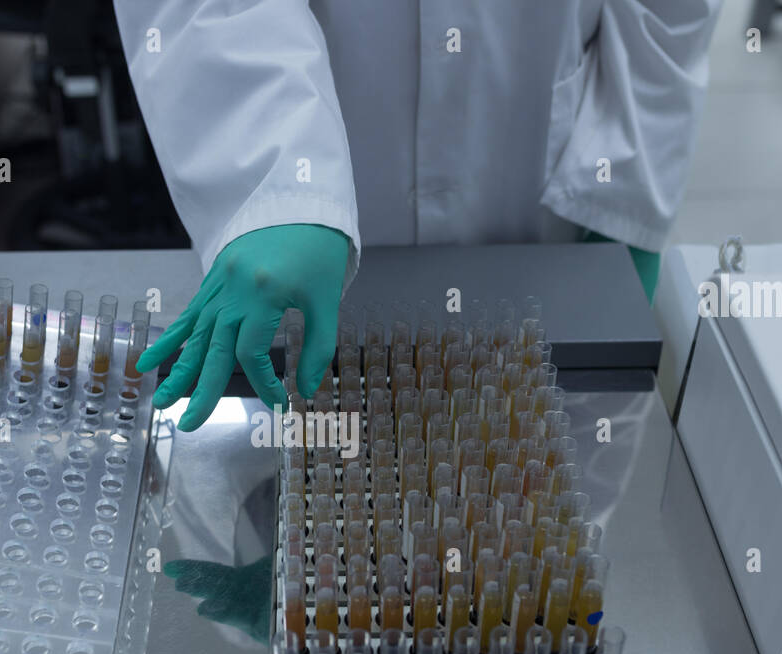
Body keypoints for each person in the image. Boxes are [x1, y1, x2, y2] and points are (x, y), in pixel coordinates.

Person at [117, 0, 722, 429]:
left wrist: (624, 187)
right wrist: (282, 183)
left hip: (532, 184)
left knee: (515, 489)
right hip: (320, 177)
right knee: (305, 471)